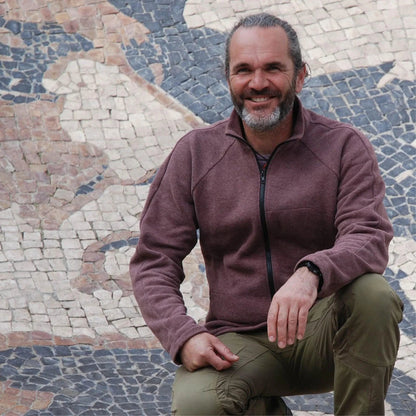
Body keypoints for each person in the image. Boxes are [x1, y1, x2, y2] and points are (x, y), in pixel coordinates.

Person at [130, 13, 403, 415]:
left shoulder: (344, 146)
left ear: (300, 76)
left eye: (273, 68)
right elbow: (154, 260)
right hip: (239, 342)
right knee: (197, 406)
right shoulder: (195, 153)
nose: (258, 83)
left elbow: (368, 235)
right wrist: (182, 335)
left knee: (374, 296)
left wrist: (311, 273)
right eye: (244, 70)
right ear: (228, 78)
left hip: (324, 334)